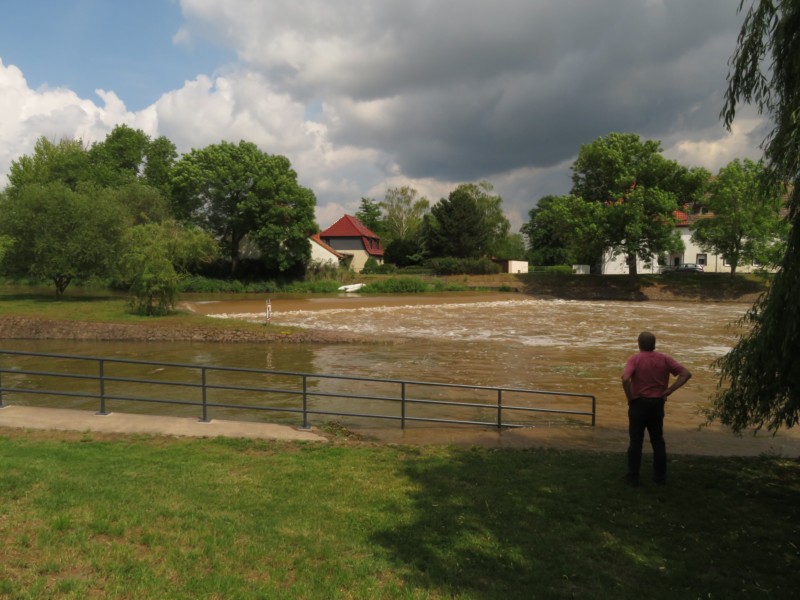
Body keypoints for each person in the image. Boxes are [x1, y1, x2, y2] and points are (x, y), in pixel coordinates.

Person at [621, 331, 691, 486]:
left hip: (638, 403)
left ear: (639, 344)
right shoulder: (664, 359)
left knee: (636, 442)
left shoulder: (635, 359)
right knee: (658, 440)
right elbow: (686, 374)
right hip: (657, 403)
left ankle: (632, 477)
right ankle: (660, 477)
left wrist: (630, 397)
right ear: (654, 344)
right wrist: (669, 390)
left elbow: (625, 379)